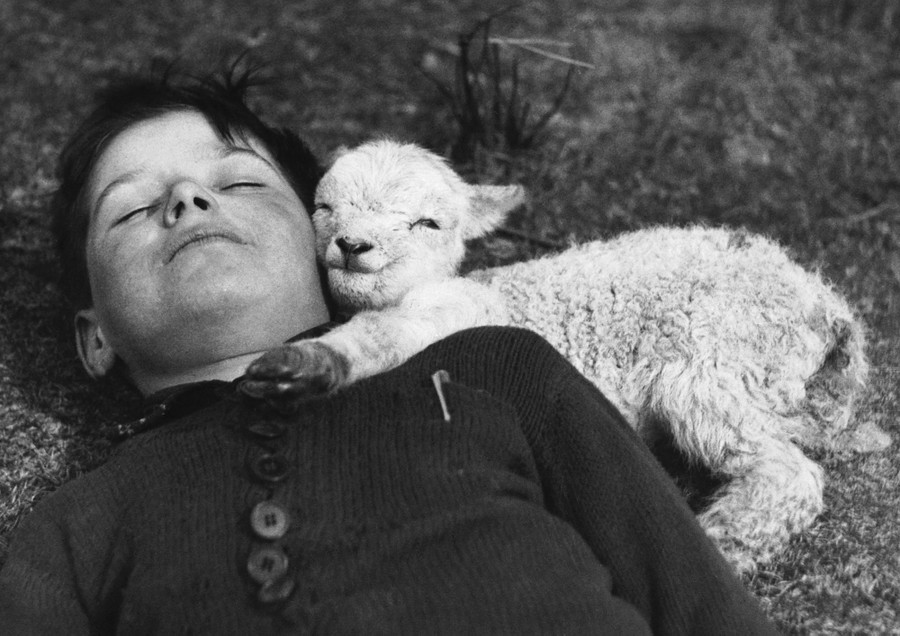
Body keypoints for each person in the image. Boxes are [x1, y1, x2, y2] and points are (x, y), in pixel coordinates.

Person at [0, 66, 778, 635]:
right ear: (95, 337)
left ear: (324, 243)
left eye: (238, 185)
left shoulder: (497, 366)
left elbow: (701, 605)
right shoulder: (78, 526)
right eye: (133, 208)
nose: (187, 200)